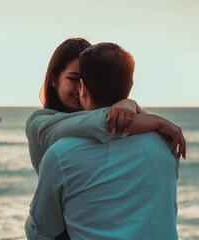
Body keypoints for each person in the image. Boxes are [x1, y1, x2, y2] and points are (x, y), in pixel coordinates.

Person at [25, 43, 181, 239]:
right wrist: (147, 117)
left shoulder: (69, 148)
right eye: (74, 79)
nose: (79, 86)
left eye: (85, 79)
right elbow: (94, 125)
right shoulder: (39, 124)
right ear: (54, 79)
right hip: (61, 222)